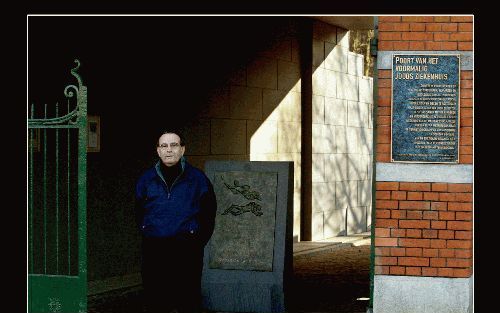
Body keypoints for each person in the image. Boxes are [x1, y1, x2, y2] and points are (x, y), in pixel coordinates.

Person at [135, 130, 217, 313]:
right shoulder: (146, 179)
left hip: (187, 250)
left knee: (187, 300)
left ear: (182, 149)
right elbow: (139, 211)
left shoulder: (198, 179)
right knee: (156, 300)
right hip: (155, 249)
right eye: (164, 146)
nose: (169, 150)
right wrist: (148, 232)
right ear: (158, 151)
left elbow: (209, 213)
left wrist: (196, 241)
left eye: (174, 145)